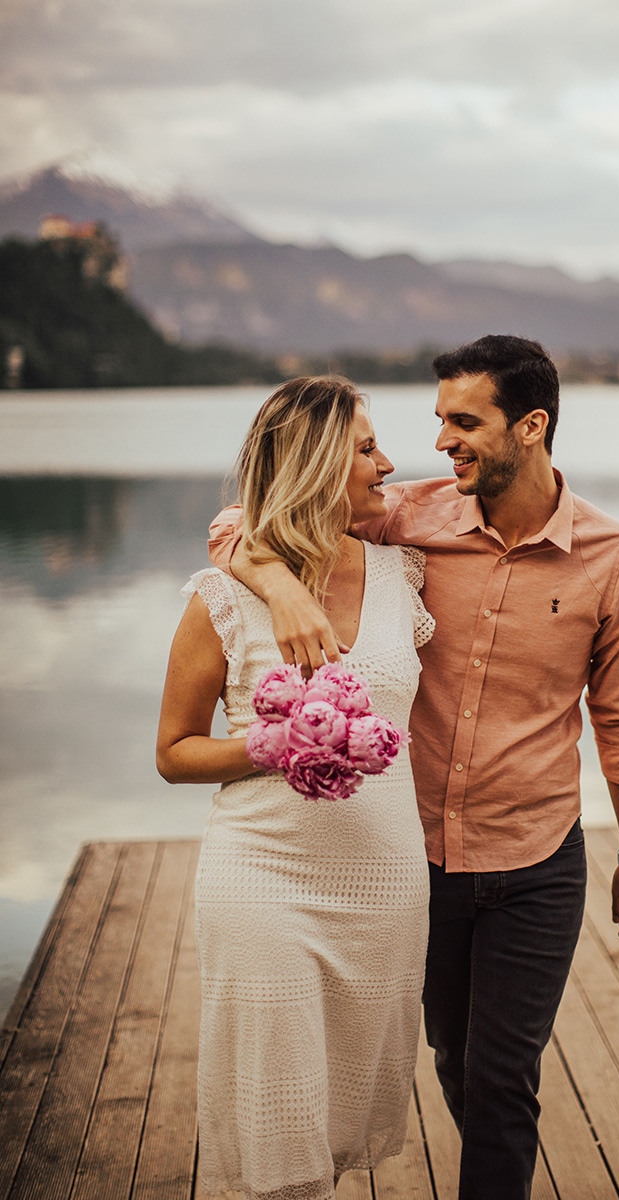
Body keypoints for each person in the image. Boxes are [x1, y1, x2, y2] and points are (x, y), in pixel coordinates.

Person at [208, 336, 619, 1200]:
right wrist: (283, 587)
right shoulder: (409, 520)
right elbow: (243, 522)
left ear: (532, 426)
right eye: (439, 420)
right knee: (453, 1055)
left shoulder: (615, 556)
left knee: (501, 1079)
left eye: (465, 422)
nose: (442, 442)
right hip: (419, 863)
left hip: (536, 860)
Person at [156, 376, 434, 1200]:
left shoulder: (403, 575)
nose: (387, 463)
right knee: (280, 1128)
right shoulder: (222, 597)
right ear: (316, 465)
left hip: (384, 883)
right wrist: (276, 746)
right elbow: (174, 752)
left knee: (342, 1117)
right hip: (264, 879)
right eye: (366, 448)